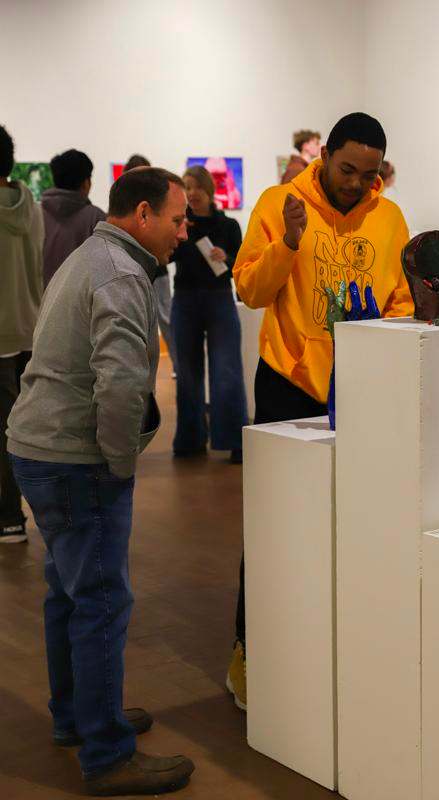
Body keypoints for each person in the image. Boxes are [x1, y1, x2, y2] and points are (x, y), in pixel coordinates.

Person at [7, 168, 195, 796]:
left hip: (39, 446)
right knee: (101, 602)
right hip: (74, 459)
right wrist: (119, 465)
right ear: (142, 214)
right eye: (176, 218)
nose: (183, 229)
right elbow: (118, 382)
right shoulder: (120, 272)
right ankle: (108, 755)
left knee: (69, 594)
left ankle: (82, 720)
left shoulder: (95, 253)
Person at [227, 112, 414, 710]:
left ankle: (328, 646)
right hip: (287, 384)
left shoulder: (389, 219)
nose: (356, 183)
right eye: (346, 169)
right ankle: (249, 652)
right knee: (273, 523)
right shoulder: (281, 202)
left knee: (350, 520)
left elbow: (403, 302)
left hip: (361, 389)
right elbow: (249, 290)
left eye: (368, 173)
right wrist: (287, 242)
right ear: (324, 157)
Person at [171, 165, 247, 463]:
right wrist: (179, 232)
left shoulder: (228, 226)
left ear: (209, 190)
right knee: (187, 373)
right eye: (187, 188)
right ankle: (190, 439)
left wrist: (226, 257)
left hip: (219, 299)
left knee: (226, 369)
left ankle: (234, 440)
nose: (192, 193)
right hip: (186, 299)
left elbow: (242, 262)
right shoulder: (182, 226)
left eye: (197, 187)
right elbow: (167, 255)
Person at [0, 124, 44, 544]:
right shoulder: (30, 206)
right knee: (21, 428)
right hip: (27, 330)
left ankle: (9, 516)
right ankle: (26, 512)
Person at [122, 154, 178, 374]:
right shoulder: (126, 205)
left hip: (157, 271)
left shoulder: (159, 201)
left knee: (165, 317)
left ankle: (177, 365)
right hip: (132, 270)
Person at [41, 148, 106, 288]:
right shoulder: (96, 218)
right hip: (80, 306)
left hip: (40, 304)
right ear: (86, 183)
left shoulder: (36, 214)